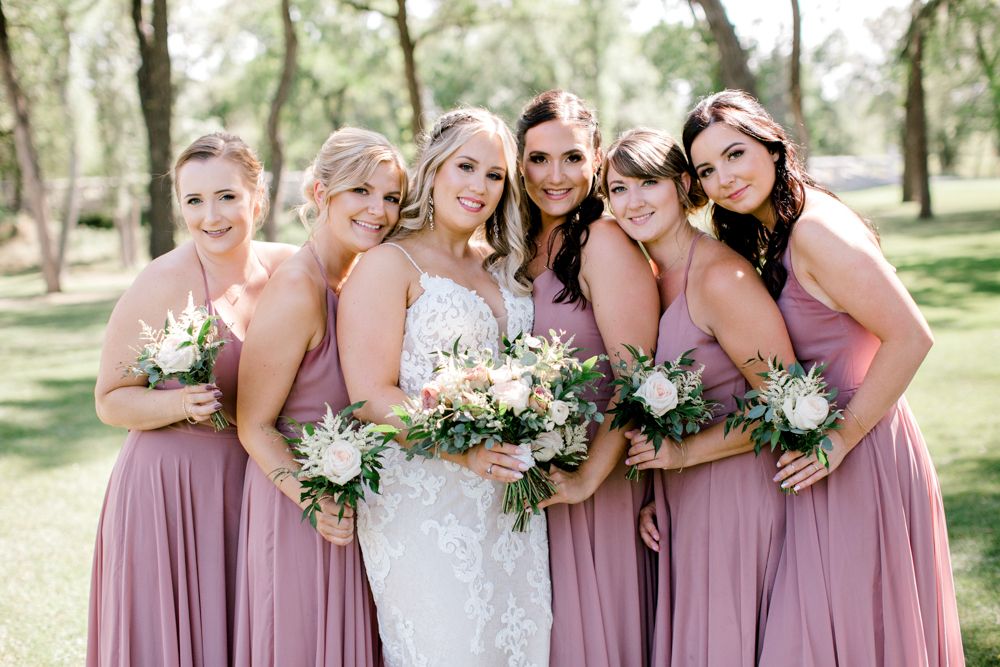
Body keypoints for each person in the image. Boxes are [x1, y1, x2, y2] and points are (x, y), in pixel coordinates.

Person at [684, 90, 964, 665]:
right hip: (826, 452)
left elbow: (912, 336)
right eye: (707, 170)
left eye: (735, 154)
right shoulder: (776, 228)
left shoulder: (814, 230)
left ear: (771, 145)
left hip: (861, 451)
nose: (724, 179)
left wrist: (841, 438)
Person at [338, 108, 552, 667]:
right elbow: (370, 394)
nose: (479, 186)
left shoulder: (505, 265)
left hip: (509, 498)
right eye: (466, 166)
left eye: (495, 175)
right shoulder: (389, 263)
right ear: (434, 169)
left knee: (520, 644)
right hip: (423, 499)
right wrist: (466, 449)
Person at [88, 133, 295, 666]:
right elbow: (110, 400)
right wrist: (181, 404)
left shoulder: (286, 269)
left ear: (257, 197)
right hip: (169, 489)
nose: (211, 216)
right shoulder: (163, 280)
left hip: (249, 484)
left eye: (226, 196)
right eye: (193, 201)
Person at [603, 127, 793, 666]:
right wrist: (654, 491)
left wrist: (685, 454)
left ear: (684, 185)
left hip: (738, 496)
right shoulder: (649, 276)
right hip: (683, 502)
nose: (633, 201)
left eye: (648, 184)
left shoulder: (720, 277)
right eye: (618, 189)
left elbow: (790, 404)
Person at [232, 128, 407, 666]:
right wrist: (315, 501)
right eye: (361, 191)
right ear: (320, 193)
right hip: (300, 511)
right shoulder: (298, 289)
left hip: (355, 507)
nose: (378, 210)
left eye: (392, 197)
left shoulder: (359, 280)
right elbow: (253, 425)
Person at [517, 90, 660, 666]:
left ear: (596, 158)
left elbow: (638, 378)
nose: (556, 176)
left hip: (599, 478)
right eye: (539, 159)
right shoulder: (516, 242)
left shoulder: (603, 241)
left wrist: (586, 482)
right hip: (533, 478)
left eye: (572, 158)